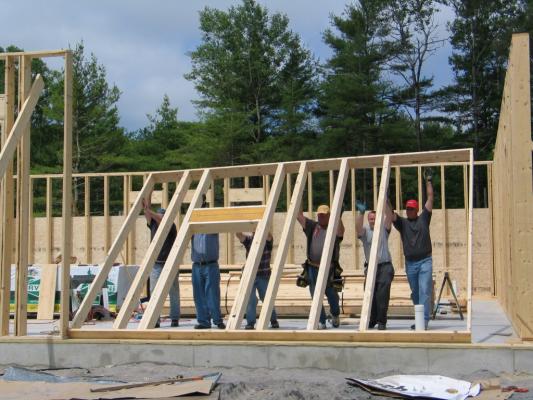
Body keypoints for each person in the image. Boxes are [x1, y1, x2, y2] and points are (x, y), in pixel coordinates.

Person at [391, 169, 434, 330]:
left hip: (425, 261)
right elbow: (391, 214)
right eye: (407, 209)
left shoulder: (424, 218)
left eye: (411, 209)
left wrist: (428, 181)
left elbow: (430, 198)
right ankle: (419, 319)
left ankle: (424, 321)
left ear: (416, 210)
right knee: (415, 292)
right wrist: (386, 197)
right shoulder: (402, 223)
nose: (408, 211)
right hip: (410, 264)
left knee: (424, 290)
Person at [297, 204, 344, 329]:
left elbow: (341, 232)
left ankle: (335, 314)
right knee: (315, 295)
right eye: (320, 215)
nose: (321, 217)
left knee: (332, 294)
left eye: (324, 215)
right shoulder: (312, 226)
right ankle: (321, 321)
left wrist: (338, 216)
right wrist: (299, 200)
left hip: (329, 269)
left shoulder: (334, 228)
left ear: (329, 216)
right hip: (313, 267)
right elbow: (298, 216)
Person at [355, 202, 395, 330]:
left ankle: (382, 321)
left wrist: (386, 201)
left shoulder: (384, 228)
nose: (372, 220)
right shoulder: (365, 231)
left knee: (382, 295)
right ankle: (372, 319)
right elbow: (358, 228)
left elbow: (389, 216)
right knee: (369, 294)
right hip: (371, 268)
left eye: (374, 218)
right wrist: (361, 213)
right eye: (370, 219)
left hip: (384, 267)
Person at [142, 194, 179, 328]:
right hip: (156, 264)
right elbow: (148, 214)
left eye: (161, 216)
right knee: (154, 293)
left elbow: (161, 219)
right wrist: (147, 201)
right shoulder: (153, 225)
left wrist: (149, 210)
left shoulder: (170, 226)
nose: (158, 217)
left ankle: (175, 318)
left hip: (170, 263)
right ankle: (155, 319)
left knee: (173, 292)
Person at [191, 195, 225, 329]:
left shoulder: (212, 227)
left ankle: (217, 320)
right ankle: (203, 321)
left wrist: (205, 209)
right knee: (199, 296)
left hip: (210, 265)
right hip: (197, 266)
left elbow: (218, 220)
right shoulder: (193, 228)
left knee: (212, 294)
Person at [236, 232, 279, 330]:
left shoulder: (267, 241)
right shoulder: (250, 240)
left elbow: (269, 236)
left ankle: (273, 320)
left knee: (266, 298)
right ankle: (250, 323)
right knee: (250, 300)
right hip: (250, 276)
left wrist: (260, 229)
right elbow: (239, 235)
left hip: (263, 275)